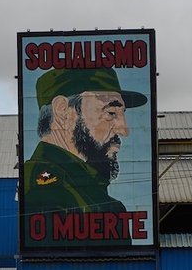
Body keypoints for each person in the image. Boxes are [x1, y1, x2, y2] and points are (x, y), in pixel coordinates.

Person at [22, 66, 149, 247]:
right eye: (111, 113)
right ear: (62, 110)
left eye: (121, 115)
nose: (124, 130)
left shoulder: (95, 195)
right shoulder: (46, 190)